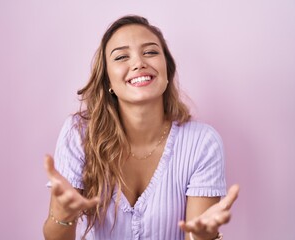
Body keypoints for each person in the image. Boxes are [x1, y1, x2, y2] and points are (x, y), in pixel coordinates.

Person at [43, 15, 239, 240]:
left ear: (167, 71)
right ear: (108, 81)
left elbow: (196, 233)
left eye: (151, 52)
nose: (138, 63)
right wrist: (62, 214)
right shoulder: (78, 134)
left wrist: (203, 236)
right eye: (121, 56)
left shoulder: (202, 142)